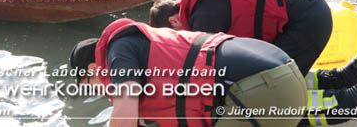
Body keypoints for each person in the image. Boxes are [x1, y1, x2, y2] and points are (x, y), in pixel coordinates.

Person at [147, 0, 357, 126]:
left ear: (173, 22)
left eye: (173, 37)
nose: (178, 42)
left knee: (280, 105)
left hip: (302, 21)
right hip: (310, 11)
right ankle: (352, 75)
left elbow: (211, 79)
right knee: (280, 78)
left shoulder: (203, 18)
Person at [70, 18, 308, 127]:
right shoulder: (141, 46)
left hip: (261, 91)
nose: (100, 91)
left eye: (91, 84)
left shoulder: (117, 51)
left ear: (93, 68)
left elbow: (124, 116)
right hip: (288, 74)